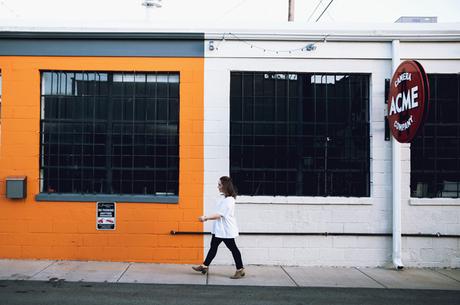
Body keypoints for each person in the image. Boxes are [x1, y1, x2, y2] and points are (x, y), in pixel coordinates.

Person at [192, 176, 245, 279]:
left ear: (225, 186)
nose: (218, 187)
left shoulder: (229, 200)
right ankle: (204, 266)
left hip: (226, 230)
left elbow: (219, 215)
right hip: (220, 229)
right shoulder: (224, 198)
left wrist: (205, 218)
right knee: (213, 246)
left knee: (233, 248)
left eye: (220, 185)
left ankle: (240, 269)